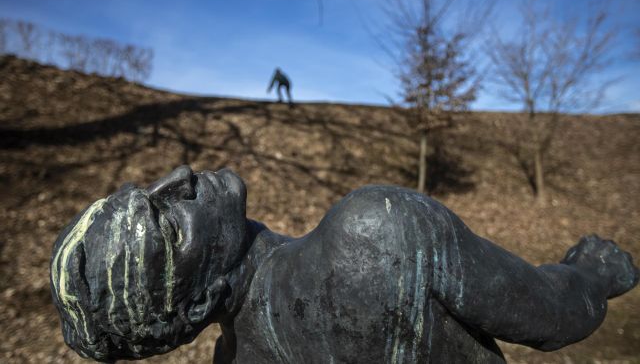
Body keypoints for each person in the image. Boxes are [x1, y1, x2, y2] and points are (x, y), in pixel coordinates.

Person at [50, 166, 639, 363]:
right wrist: (592, 273)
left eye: (150, 189)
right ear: (198, 301)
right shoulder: (373, 227)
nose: (178, 178)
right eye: (170, 223)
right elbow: (552, 317)